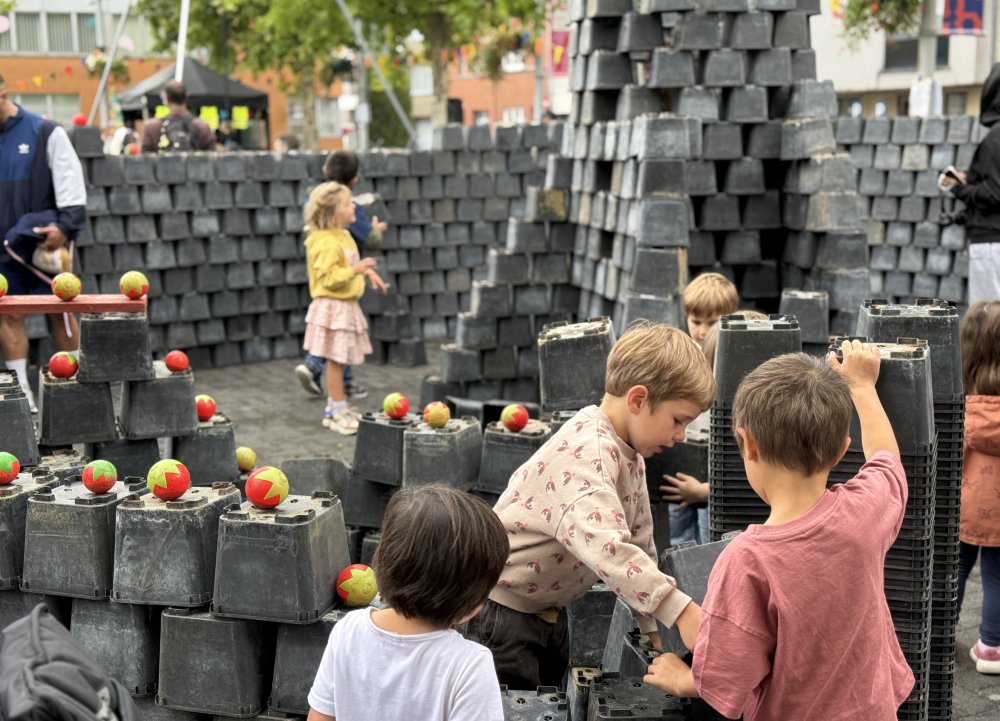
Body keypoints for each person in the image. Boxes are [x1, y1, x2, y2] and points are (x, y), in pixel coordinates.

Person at [644, 341, 915, 721]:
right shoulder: (863, 514)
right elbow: (887, 461)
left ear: (748, 444)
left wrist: (683, 679)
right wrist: (863, 387)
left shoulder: (746, 561)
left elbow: (728, 676)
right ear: (840, 452)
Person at [462, 322, 715, 690]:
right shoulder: (587, 451)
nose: (680, 436)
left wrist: (653, 631)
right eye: (678, 421)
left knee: (551, 704)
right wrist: (680, 611)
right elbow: (608, 549)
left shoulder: (631, 456)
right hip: (502, 617)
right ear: (638, 399)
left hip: (548, 612)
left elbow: (640, 544)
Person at [306, 485, 509, 721]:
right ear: (474, 603)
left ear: (382, 561)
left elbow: (320, 717)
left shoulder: (348, 630)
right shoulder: (470, 666)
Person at [0, 73, 87, 410]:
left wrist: (66, 227)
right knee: (9, 315)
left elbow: (71, 182)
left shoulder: (45, 131)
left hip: (44, 243)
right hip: (4, 246)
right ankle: (21, 396)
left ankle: (79, 387)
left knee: (60, 313)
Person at [659, 310, 768, 546]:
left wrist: (702, 492)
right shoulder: (723, 413)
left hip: (733, 523)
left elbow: (740, 482)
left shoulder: (756, 425)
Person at [295, 150, 388, 400]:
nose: (355, 209)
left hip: (345, 293)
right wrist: (374, 234)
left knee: (339, 348)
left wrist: (366, 273)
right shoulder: (329, 233)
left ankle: (319, 372)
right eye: (350, 206)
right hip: (335, 300)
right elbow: (367, 241)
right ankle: (336, 405)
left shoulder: (337, 226)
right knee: (338, 353)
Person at [664, 273, 740, 546]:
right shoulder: (683, 358)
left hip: (712, 477)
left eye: (713, 323)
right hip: (682, 468)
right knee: (678, 541)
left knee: (709, 542)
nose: (703, 331)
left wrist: (703, 491)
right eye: (696, 322)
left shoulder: (731, 365)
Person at [957, 301, 1000, 674]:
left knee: (953, 569)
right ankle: (991, 648)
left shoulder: (960, 402)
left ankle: (938, 635)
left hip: (964, 504)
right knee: (998, 578)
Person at [939, 63, 1000, 304]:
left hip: (992, 243)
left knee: (988, 324)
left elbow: (995, 193)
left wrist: (957, 187)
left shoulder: (996, 138)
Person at [139, 80, 215, 153]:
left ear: (165, 97)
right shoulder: (202, 126)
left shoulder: (151, 127)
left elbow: (144, 160)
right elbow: (212, 159)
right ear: (186, 96)